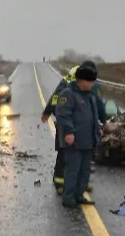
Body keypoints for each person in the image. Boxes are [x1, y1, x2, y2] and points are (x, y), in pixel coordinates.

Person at [41, 60, 106, 193]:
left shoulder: (78, 80)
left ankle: (77, 184)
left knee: (78, 157)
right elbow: (57, 96)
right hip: (68, 122)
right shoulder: (78, 80)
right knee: (67, 153)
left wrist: (47, 113)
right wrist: (48, 112)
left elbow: (97, 104)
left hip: (78, 125)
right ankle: (61, 183)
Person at [55, 64, 102, 208]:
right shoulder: (67, 94)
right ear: (82, 81)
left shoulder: (89, 95)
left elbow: (93, 115)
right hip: (74, 141)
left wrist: (97, 128)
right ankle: (68, 198)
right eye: (90, 81)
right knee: (73, 170)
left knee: (84, 170)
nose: (92, 84)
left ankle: (79, 195)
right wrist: (69, 132)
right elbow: (62, 115)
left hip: (88, 140)